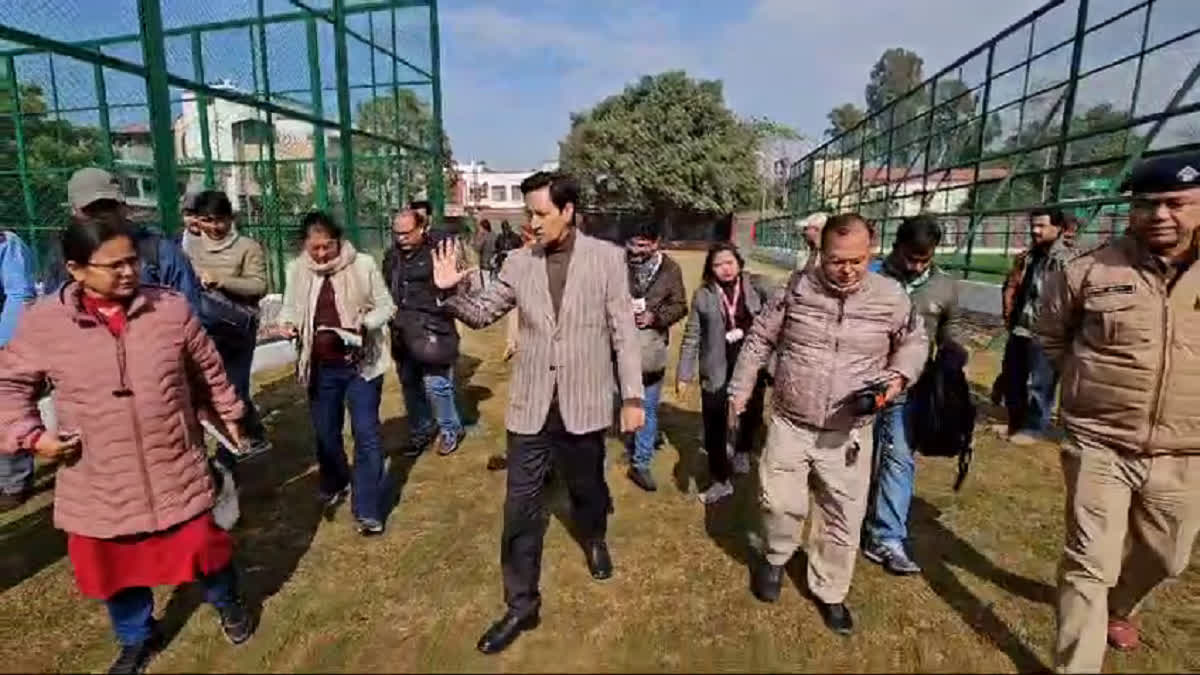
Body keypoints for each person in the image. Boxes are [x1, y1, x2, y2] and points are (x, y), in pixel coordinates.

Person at [0, 211, 255, 674]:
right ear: (76, 269)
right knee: (114, 567)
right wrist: (32, 437)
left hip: (173, 463)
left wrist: (231, 416)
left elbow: (208, 369)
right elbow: (10, 386)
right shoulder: (45, 323)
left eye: (132, 261)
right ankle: (137, 636)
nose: (128, 272)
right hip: (100, 476)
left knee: (204, 547)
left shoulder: (169, 309)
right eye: (113, 265)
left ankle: (228, 604)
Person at [430, 170, 644, 655]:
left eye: (541, 213)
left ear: (569, 211)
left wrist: (633, 397)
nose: (533, 222)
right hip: (531, 407)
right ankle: (521, 604)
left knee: (587, 488)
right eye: (529, 212)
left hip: (585, 403)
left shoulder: (608, 259)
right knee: (520, 509)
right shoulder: (517, 262)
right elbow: (483, 313)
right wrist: (450, 293)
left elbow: (623, 334)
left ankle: (593, 536)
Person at [1037, 153, 1200, 673]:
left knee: (1168, 557)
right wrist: (1085, 386)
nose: (1159, 215)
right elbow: (1051, 334)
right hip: (1099, 442)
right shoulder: (1090, 269)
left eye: (1175, 203)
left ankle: (1122, 605)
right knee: (1089, 563)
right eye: (1146, 204)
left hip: (1186, 449)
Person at [728, 213, 927, 636]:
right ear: (821, 252)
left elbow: (914, 343)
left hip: (849, 432)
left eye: (857, 260)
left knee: (842, 516)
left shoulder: (891, 297)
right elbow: (761, 338)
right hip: (791, 421)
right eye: (837, 260)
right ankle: (776, 557)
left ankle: (830, 589)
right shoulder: (797, 288)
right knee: (778, 502)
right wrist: (740, 389)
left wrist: (896, 378)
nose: (847, 270)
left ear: (871, 251)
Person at [278, 211, 396, 536]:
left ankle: (368, 509)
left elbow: (386, 306)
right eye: (314, 248)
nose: (321, 254)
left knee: (366, 434)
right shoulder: (297, 270)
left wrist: (365, 324)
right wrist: (287, 324)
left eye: (327, 246)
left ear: (338, 241)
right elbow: (290, 308)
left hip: (361, 365)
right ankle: (335, 479)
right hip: (320, 366)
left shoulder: (363, 265)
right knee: (326, 433)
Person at [862, 215, 966, 575]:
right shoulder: (870, 276)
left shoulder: (945, 286)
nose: (916, 266)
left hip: (910, 387)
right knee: (854, 455)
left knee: (898, 456)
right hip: (861, 382)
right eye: (910, 257)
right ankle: (849, 519)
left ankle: (886, 537)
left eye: (924, 259)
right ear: (897, 247)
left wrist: (954, 352)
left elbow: (951, 328)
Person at [676, 242, 774, 504]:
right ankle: (720, 479)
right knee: (714, 424)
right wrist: (684, 374)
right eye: (718, 265)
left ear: (739, 262)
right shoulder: (704, 295)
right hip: (716, 368)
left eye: (729, 262)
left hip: (751, 365)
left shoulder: (758, 287)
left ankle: (742, 449)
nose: (725, 269)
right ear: (710, 269)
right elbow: (692, 336)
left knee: (751, 413)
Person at [43, 168, 203, 316]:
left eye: (109, 206)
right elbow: (55, 313)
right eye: (92, 209)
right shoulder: (63, 255)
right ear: (74, 211)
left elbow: (191, 313)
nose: (102, 215)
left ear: (124, 207)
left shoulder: (159, 251)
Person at [185, 190, 272, 459]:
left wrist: (222, 281)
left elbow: (259, 286)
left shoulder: (248, 247)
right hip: (201, 327)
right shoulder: (189, 247)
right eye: (207, 220)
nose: (214, 227)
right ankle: (229, 443)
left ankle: (232, 452)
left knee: (234, 388)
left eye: (219, 220)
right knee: (202, 390)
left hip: (237, 328)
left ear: (230, 218)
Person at [383, 208, 465, 457]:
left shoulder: (440, 253)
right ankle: (421, 430)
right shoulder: (392, 257)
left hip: (433, 329)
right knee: (410, 384)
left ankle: (450, 429)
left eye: (407, 233)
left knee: (436, 384)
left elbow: (457, 290)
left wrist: (445, 292)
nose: (401, 239)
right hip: (401, 331)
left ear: (422, 228)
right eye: (397, 234)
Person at [620, 221, 686, 492]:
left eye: (643, 245)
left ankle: (641, 463)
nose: (636, 250)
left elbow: (680, 306)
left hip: (651, 350)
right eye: (632, 244)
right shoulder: (617, 265)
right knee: (626, 402)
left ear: (656, 243)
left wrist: (655, 318)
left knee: (647, 406)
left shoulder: (670, 270)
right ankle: (636, 440)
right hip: (620, 349)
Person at [998, 207, 1072, 445]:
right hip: (1021, 326)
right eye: (1033, 225)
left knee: (1041, 383)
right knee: (1013, 377)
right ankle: (1015, 423)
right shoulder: (1029, 256)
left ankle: (1034, 429)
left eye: (1041, 226)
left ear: (1058, 228)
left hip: (1048, 331)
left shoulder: (1067, 260)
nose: (1035, 230)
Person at [0, 229, 38, 511]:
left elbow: (19, 294)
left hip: (4, 342)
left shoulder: (7, 244)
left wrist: (4, 341)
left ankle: (13, 482)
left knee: (8, 410)